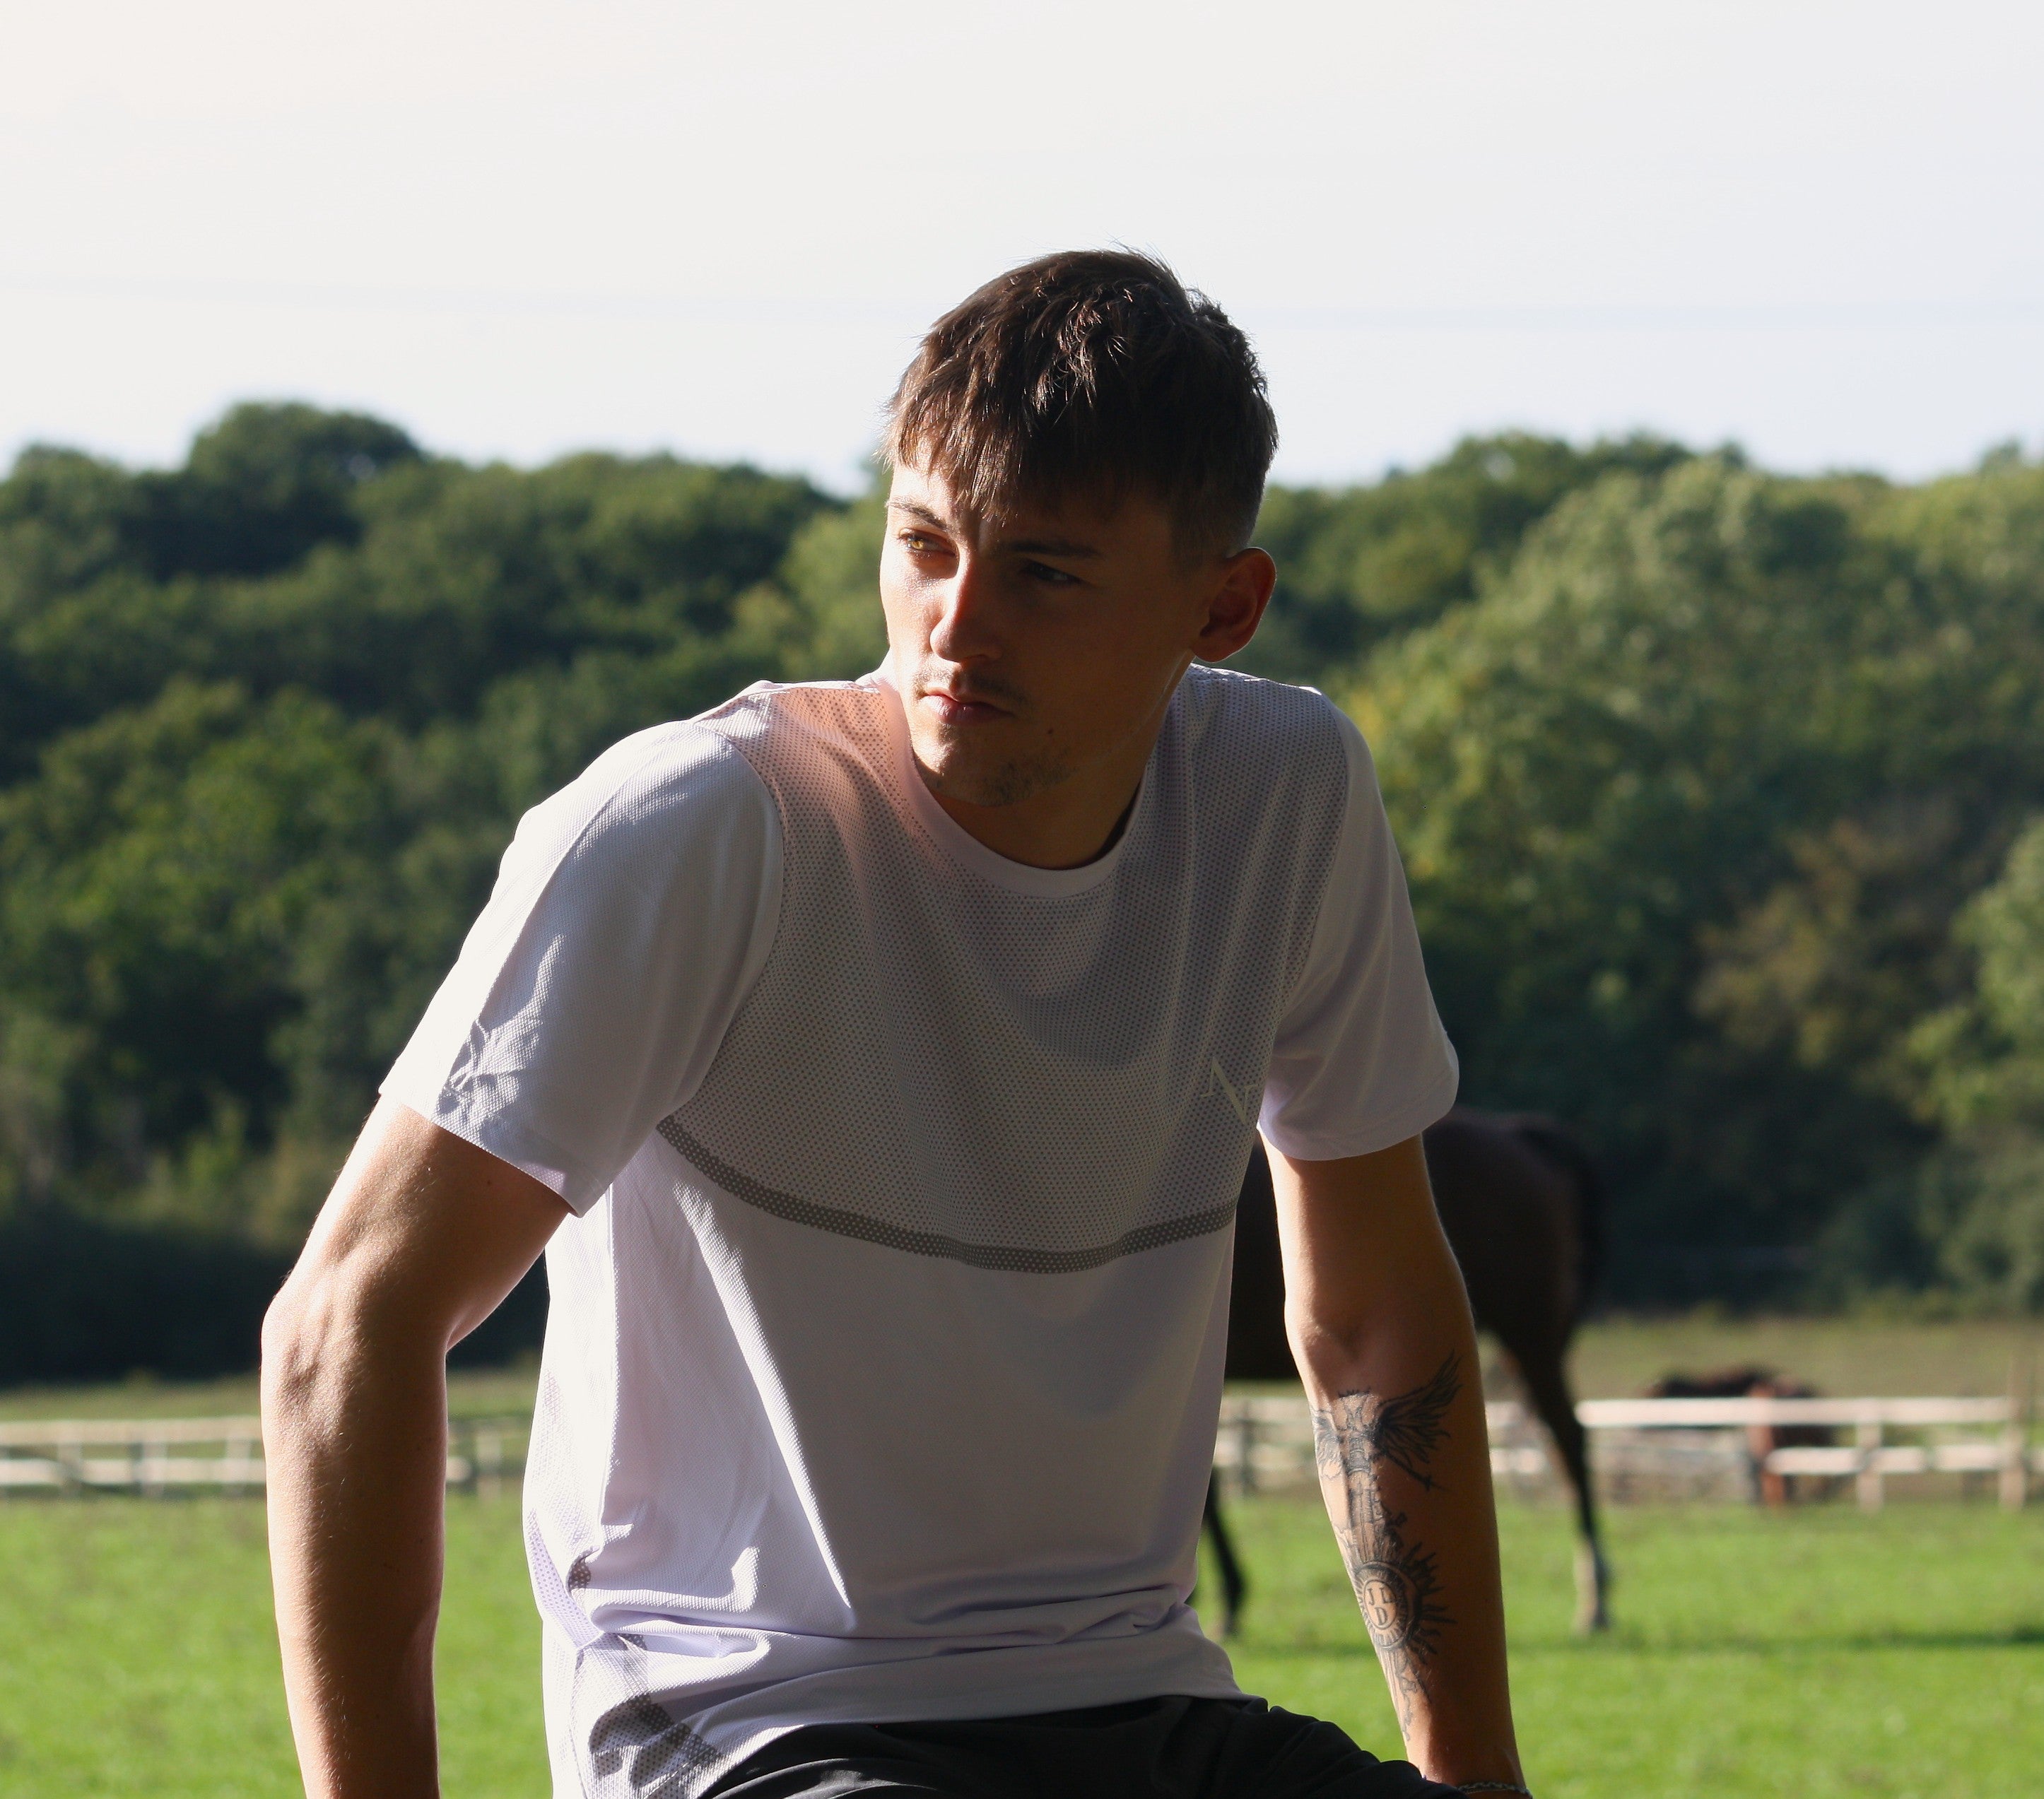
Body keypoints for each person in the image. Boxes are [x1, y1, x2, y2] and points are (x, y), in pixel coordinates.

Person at [261, 249, 1529, 1799]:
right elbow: (344, 1327)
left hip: (1136, 1696)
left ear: (1226, 605)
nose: (956, 626)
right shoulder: (704, 828)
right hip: (759, 1721)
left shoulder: (1289, 797)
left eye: (1046, 573)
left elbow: (1378, 1322)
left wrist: (1476, 1784)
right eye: (924, 545)